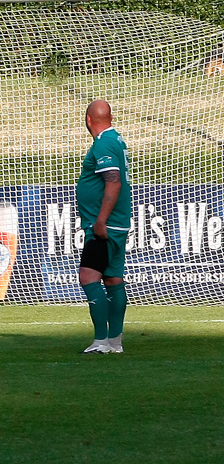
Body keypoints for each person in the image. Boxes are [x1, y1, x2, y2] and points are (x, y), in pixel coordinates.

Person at [77, 99, 131, 354]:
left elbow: (114, 182)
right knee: (112, 278)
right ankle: (114, 341)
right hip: (116, 224)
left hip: (105, 225)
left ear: (88, 120)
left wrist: (100, 221)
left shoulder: (105, 143)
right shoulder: (116, 140)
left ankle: (101, 341)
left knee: (88, 277)